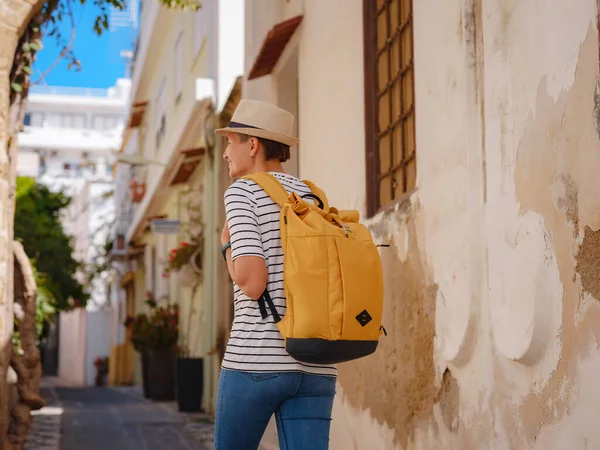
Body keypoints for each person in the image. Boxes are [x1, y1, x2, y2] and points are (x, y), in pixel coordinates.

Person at [214, 99, 336, 450]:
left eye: (230, 142)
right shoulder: (313, 197)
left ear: (251, 145)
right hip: (318, 364)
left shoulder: (243, 192)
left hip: (255, 360)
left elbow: (253, 284)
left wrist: (226, 247)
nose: (225, 154)